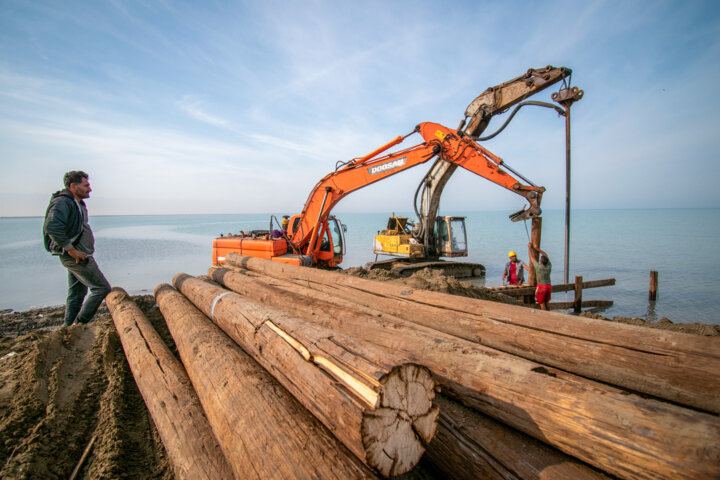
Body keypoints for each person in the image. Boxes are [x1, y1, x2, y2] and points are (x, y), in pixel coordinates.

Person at [43, 171, 111, 326]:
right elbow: (52, 226)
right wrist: (71, 249)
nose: (90, 189)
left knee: (77, 294)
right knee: (101, 288)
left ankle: (68, 327)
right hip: (76, 256)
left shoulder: (77, 203)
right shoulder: (63, 202)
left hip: (79, 254)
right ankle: (80, 324)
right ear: (73, 186)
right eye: (86, 185)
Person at [529, 243, 552, 310]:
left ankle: (544, 315)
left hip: (541, 287)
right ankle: (549, 314)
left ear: (541, 261)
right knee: (547, 301)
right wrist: (537, 249)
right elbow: (545, 255)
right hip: (548, 286)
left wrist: (530, 248)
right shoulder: (549, 266)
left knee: (541, 303)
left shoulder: (538, 267)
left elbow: (531, 257)